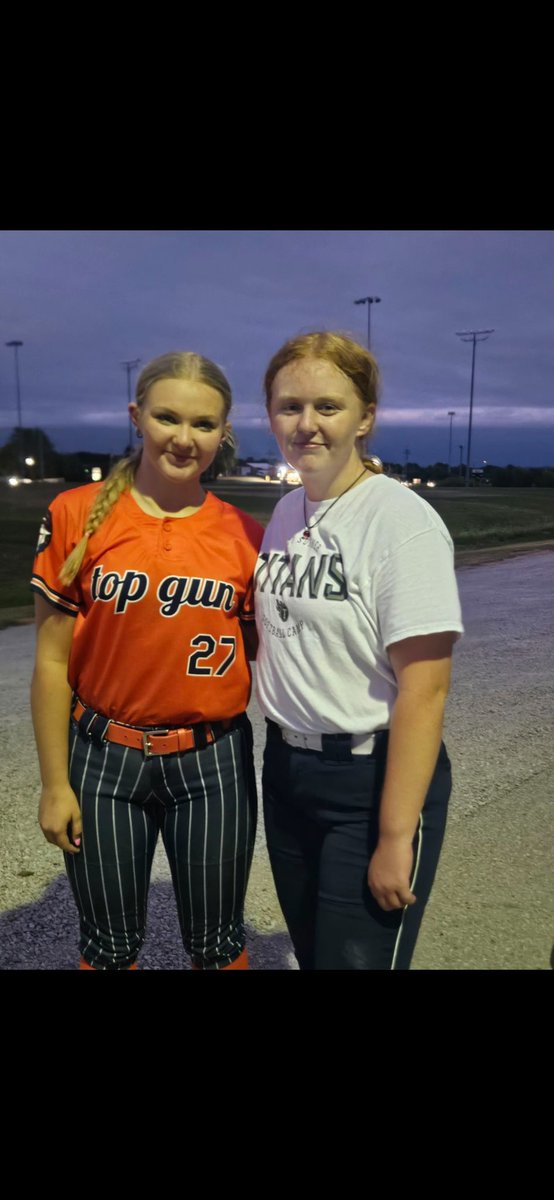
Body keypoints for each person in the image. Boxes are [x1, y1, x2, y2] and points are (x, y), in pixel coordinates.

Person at [30, 351, 263, 970]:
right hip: (102, 759)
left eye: (204, 425)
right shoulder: (76, 514)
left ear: (224, 432)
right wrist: (56, 783)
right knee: (108, 948)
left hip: (212, 764)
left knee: (219, 945)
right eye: (167, 417)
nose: (184, 439)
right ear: (137, 417)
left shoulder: (248, 535)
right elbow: (52, 664)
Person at [254, 331, 464, 970]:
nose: (306, 424)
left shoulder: (401, 521)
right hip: (286, 770)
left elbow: (425, 690)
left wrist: (396, 837)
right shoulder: (287, 511)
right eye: (290, 406)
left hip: (370, 781)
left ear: (365, 417)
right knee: (316, 955)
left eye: (328, 406)